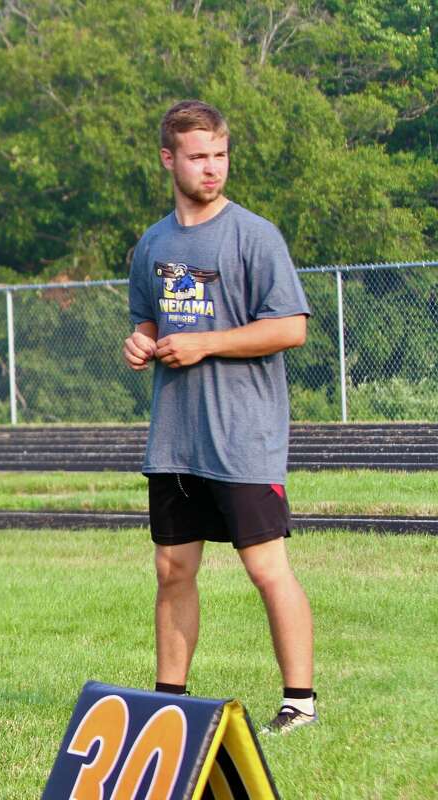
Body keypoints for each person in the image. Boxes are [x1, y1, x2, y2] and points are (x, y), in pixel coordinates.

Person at [123, 100, 318, 734]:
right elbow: (149, 317)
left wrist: (206, 342)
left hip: (243, 437)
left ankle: (300, 702)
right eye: (199, 156)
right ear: (168, 159)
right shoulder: (153, 244)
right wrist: (140, 340)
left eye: (221, 156)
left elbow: (290, 327)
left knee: (266, 568)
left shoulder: (254, 235)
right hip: (176, 439)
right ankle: (170, 701)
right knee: (172, 570)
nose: (212, 169)